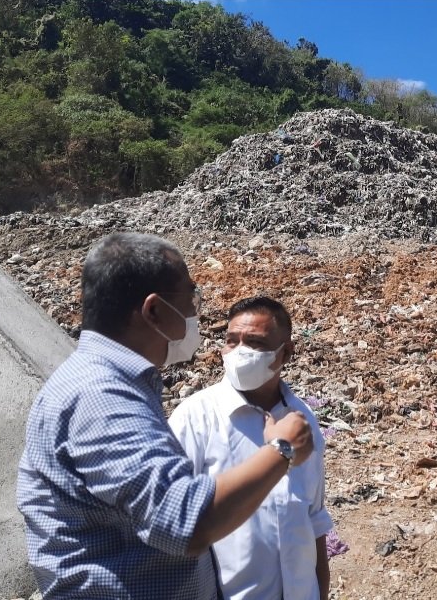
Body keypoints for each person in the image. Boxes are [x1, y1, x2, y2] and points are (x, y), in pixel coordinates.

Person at [16, 233, 313, 600]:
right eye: (190, 299)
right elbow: (186, 522)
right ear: (154, 310)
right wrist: (281, 450)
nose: (195, 315)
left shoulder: (114, 384)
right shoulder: (101, 397)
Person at [170, 296, 333, 600]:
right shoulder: (195, 418)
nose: (240, 352)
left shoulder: (302, 418)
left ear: (286, 352)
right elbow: (176, 521)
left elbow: (314, 520)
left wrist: (321, 592)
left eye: (255, 343)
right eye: (232, 341)